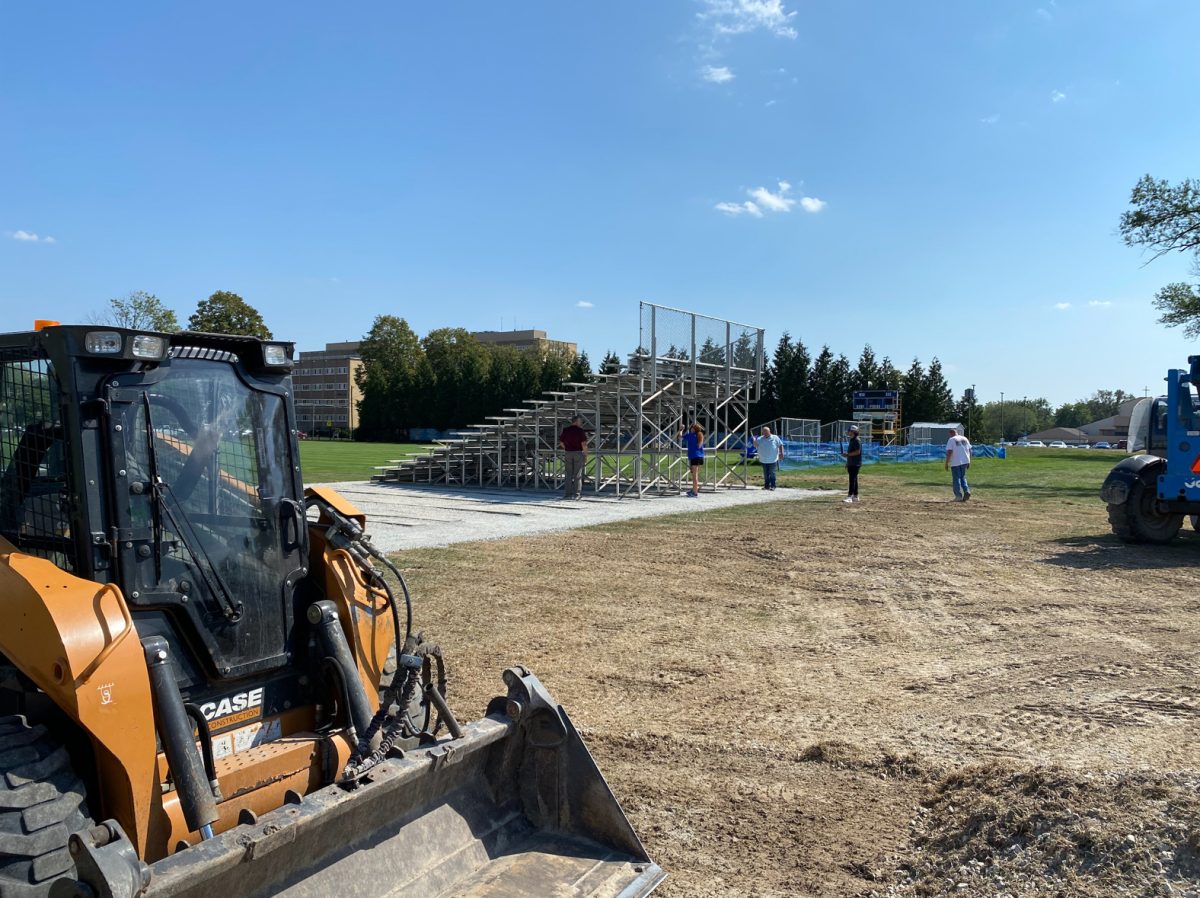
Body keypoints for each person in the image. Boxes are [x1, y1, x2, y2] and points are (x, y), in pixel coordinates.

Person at [559, 415, 589, 499]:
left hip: (568, 453)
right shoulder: (580, 431)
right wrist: (586, 455)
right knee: (577, 475)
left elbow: (561, 442)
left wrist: (567, 448)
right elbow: (584, 444)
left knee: (568, 474)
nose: (581, 423)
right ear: (576, 421)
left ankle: (567, 494)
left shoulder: (566, 430)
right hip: (578, 453)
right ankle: (576, 494)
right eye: (580, 421)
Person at [945, 426, 972, 501]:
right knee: (963, 477)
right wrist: (969, 461)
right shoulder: (965, 438)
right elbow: (970, 450)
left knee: (956, 479)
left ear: (951, 433)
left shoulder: (951, 439)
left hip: (956, 462)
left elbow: (949, 452)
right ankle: (967, 491)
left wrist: (946, 463)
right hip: (965, 461)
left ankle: (958, 496)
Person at [678, 423, 705, 497]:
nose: (690, 429)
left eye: (692, 428)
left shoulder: (691, 435)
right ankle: (694, 489)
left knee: (694, 476)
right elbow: (699, 445)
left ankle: (695, 492)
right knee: (695, 474)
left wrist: (681, 429)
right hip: (700, 457)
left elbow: (680, 437)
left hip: (694, 457)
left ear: (694, 429)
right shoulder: (700, 435)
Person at [754, 425, 784, 490]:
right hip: (763, 459)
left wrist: (782, 453)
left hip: (773, 459)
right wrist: (754, 441)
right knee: (765, 474)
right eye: (763, 432)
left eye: (766, 432)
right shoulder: (759, 438)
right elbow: (755, 446)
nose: (765, 433)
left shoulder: (775, 437)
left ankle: (773, 486)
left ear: (769, 431)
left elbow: (781, 445)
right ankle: (766, 486)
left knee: (772, 473)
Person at [841, 424, 862, 504]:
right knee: (854, 479)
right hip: (852, 463)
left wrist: (847, 455)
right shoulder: (852, 440)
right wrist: (848, 462)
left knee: (852, 480)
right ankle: (855, 496)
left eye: (849, 431)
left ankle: (849, 496)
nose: (848, 432)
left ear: (853, 432)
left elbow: (857, 452)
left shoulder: (856, 440)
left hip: (855, 463)